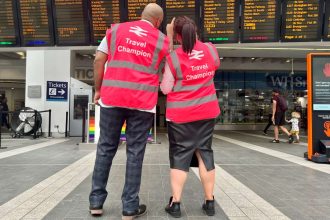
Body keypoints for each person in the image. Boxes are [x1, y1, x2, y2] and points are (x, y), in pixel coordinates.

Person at [89, 3, 169, 219]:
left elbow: (99, 59)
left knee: (105, 148)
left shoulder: (116, 30)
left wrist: (98, 89)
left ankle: (96, 203)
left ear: (141, 15)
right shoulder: (162, 40)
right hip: (142, 103)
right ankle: (129, 208)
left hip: (112, 98)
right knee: (135, 153)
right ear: (158, 21)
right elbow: (166, 69)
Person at [160, 16, 220, 218]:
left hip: (181, 115)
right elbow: (213, 69)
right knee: (205, 153)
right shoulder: (211, 49)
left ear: (176, 35)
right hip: (207, 112)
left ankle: (175, 204)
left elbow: (166, 88)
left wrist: (168, 39)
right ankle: (210, 202)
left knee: (180, 155)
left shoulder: (174, 57)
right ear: (195, 29)